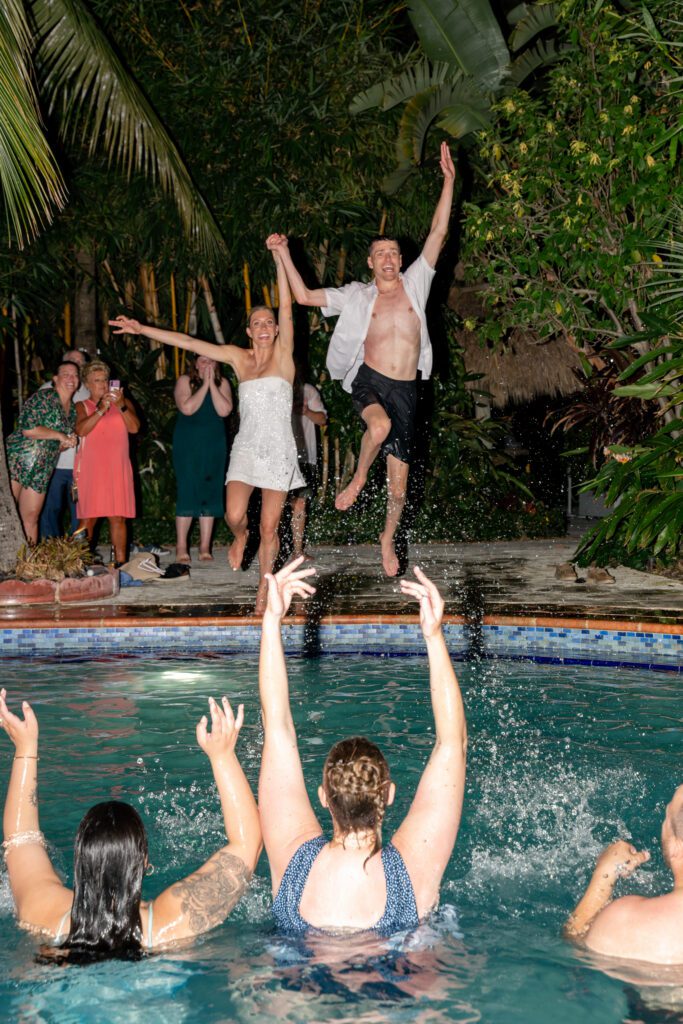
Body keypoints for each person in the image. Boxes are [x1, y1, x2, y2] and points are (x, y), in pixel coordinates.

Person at [269, 142, 456, 577]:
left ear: (401, 261)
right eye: (382, 254)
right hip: (370, 381)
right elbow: (303, 296)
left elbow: (438, 232)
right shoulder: (357, 295)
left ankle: (388, 536)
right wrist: (282, 253)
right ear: (370, 262)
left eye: (395, 253)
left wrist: (447, 181)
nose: (389, 259)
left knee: (399, 490)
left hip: (408, 388)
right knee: (379, 426)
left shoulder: (416, 286)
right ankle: (356, 478)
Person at [258, 557, 467, 935]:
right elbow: (453, 744)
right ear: (387, 795)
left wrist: (272, 621)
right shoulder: (413, 869)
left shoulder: (293, 859)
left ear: (324, 796)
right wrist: (434, 636)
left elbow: (278, 728)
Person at [109, 242, 304, 612]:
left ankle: (265, 590)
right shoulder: (238, 358)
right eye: (257, 323)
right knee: (233, 515)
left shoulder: (284, 356)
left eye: (269, 322)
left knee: (270, 527)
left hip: (278, 451)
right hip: (246, 448)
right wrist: (142, 329)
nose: (264, 327)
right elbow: (188, 341)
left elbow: (288, 306)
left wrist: (281, 257)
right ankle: (239, 536)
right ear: (249, 331)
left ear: (277, 329)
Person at [0, 686, 261, 959]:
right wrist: (223, 756)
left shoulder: (43, 913)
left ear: (81, 859)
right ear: (144, 862)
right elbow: (247, 844)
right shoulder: (168, 925)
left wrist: (25, 748)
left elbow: (21, 837)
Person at [564, 787, 683, 964]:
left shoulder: (625, 917)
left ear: (675, 845)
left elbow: (576, 946)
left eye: (667, 817)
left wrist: (603, 876)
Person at [73, 361, 140, 565]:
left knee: (118, 517)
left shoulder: (124, 402)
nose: (102, 384)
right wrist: (101, 410)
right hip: (91, 468)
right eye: (97, 380)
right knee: (88, 518)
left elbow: (135, 428)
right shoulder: (82, 405)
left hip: (116, 466)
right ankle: (82, 562)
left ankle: (120, 564)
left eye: (105, 379)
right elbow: (81, 430)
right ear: (87, 384)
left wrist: (120, 407)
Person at [6, 362, 79, 544]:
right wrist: (60, 435)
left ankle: (27, 563)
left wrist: (67, 442)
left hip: (42, 467)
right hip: (18, 460)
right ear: (55, 379)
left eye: (75, 374)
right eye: (66, 374)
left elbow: (55, 444)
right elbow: (28, 430)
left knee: (31, 517)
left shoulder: (72, 411)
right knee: (5, 512)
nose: (71, 378)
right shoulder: (45, 397)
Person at [173, 355, 233, 563]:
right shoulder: (185, 381)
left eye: (211, 360)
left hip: (214, 444)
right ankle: (182, 546)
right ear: (195, 364)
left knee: (211, 490)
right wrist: (204, 384)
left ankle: (205, 546)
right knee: (188, 489)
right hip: (188, 444)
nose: (207, 364)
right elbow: (187, 408)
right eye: (202, 360)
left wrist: (212, 385)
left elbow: (224, 410)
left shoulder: (223, 383)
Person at [39, 349, 91, 539]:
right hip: (54, 463)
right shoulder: (46, 391)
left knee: (81, 510)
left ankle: (78, 551)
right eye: (71, 362)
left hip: (82, 464)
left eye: (80, 362)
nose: (76, 365)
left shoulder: (89, 390)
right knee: (50, 508)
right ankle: (50, 548)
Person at [289, 373, 327, 558]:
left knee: (301, 502)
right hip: (279, 456)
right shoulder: (273, 386)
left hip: (304, 456)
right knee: (277, 503)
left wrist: (306, 411)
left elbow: (322, 419)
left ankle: (297, 551)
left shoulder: (308, 390)